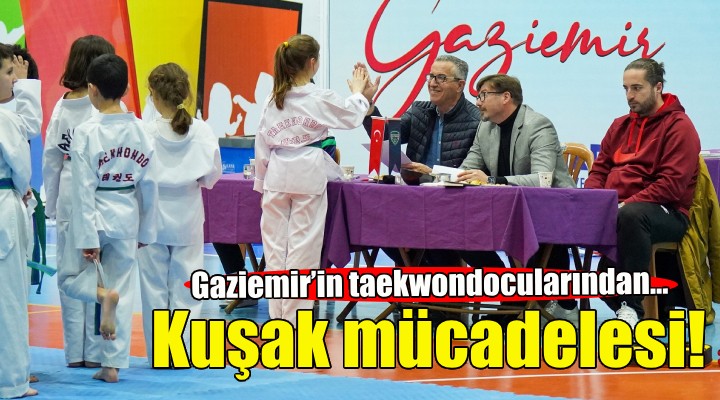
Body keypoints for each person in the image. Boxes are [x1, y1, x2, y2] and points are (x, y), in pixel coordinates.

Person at [254, 34, 376, 326]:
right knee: (303, 250)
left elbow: (261, 144)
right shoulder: (318, 97)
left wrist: (260, 183)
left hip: (276, 173)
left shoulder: (274, 98)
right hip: (307, 173)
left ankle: (277, 318)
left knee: (274, 249)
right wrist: (359, 92)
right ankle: (294, 321)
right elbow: (351, 116)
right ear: (312, 63)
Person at [60, 53, 156, 383]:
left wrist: (88, 237)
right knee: (122, 287)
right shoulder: (142, 131)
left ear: (92, 89)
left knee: (68, 279)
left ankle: (102, 296)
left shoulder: (87, 132)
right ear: (126, 89)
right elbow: (150, 185)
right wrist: (147, 229)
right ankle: (112, 366)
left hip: (96, 212)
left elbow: (82, 188)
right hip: (127, 213)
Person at [584, 58, 701, 328]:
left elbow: (671, 185)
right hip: (619, 210)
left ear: (658, 87)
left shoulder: (680, 126)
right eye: (625, 89)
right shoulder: (619, 125)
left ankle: (631, 308)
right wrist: (592, 201)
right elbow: (600, 170)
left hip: (667, 212)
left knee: (632, 215)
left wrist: (624, 205)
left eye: (637, 88)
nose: (629, 96)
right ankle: (557, 303)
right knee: (563, 210)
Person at [456, 74, 578, 325]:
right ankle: (512, 296)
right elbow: (468, 168)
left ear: (505, 97)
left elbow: (543, 180)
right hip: (506, 211)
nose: (477, 102)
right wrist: (446, 177)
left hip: (550, 212)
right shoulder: (485, 127)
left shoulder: (538, 125)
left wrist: (492, 180)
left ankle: (562, 306)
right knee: (459, 232)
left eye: (483, 95)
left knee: (536, 232)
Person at [360, 55, 479, 268]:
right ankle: (419, 272)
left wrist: (431, 172)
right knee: (374, 221)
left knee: (435, 235)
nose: (432, 83)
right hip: (414, 198)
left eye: (441, 78)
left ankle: (437, 277)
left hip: (454, 202)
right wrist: (368, 104)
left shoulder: (476, 120)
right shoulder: (419, 110)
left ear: (460, 85)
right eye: (430, 76)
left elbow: (474, 172)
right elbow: (387, 138)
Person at [138, 62, 221, 363]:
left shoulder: (144, 131)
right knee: (187, 285)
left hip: (152, 215)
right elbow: (211, 177)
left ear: (153, 94)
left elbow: (135, 176)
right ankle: (182, 352)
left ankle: (161, 354)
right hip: (187, 214)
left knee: (154, 288)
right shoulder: (202, 131)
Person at [42, 35, 115, 369]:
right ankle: (98, 352)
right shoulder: (108, 105)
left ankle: (75, 354)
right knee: (101, 272)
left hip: (71, 191)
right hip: (103, 191)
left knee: (70, 273)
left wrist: (51, 203)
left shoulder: (63, 105)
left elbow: (51, 159)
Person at [0, 43, 36, 399]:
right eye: (9, 73)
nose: (14, 80)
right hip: (3, 205)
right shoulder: (4, 120)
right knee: (8, 296)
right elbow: (22, 170)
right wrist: (23, 189)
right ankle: (11, 381)